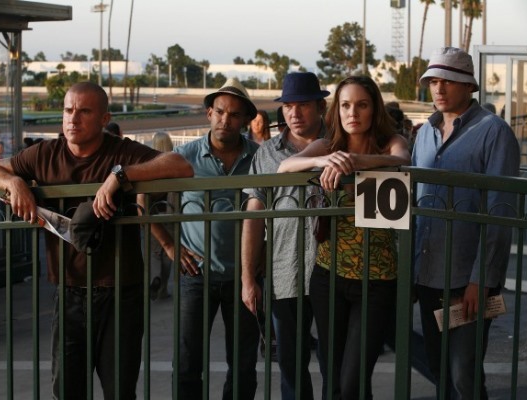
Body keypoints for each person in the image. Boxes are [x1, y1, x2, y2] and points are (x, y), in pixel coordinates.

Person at [0, 81, 193, 400]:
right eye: (67, 110)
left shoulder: (120, 150)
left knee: (119, 391)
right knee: (66, 389)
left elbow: (181, 166)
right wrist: (13, 181)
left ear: (104, 119)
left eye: (84, 111)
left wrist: (119, 176)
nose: (72, 119)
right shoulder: (44, 154)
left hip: (122, 292)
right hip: (69, 291)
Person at [278, 75, 410, 399]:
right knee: (334, 378)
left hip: (376, 281)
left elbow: (402, 161)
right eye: (346, 105)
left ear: (374, 109)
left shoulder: (390, 141)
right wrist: (324, 159)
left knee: (352, 381)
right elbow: (286, 166)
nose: (353, 113)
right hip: (328, 278)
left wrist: (354, 163)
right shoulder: (328, 145)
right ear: (336, 110)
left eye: (362, 105)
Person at [412, 47, 520, 399]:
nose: (439, 89)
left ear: (469, 86)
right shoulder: (424, 133)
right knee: (441, 370)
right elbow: (416, 200)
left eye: (448, 81)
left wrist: (481, 280)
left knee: (464, 375)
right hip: (426, 275)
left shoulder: (494, 132)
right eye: (433, 81)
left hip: (465, 281)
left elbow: (498, 212)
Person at [150, 78, 260, 400]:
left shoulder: (258, 157)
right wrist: (170, 245)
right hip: (195, 274)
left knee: (242, 365)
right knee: (187, 363)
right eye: (221, 112)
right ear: (209, 113)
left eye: (235, 115)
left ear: (244, 120)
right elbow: (143, 198)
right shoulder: (185, 156)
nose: (227, 120)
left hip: (245, 276)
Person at [242, 71, 329, 400]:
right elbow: (253, 214)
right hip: (284, 272)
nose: (294, 112)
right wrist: (248, 277)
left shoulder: (342, 142)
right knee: (291, 365)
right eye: (288, 105)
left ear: (320, 106)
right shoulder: (267, 153)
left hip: (334, 271)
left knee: (335, 361)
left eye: (303, 104)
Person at [147, 130, 175, 300]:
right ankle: (163, 287)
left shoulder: (150, 163)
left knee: (155, 251)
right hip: (172, 213)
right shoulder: (175, 161)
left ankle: (154, 277)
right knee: (169, 251)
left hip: (154, 213)